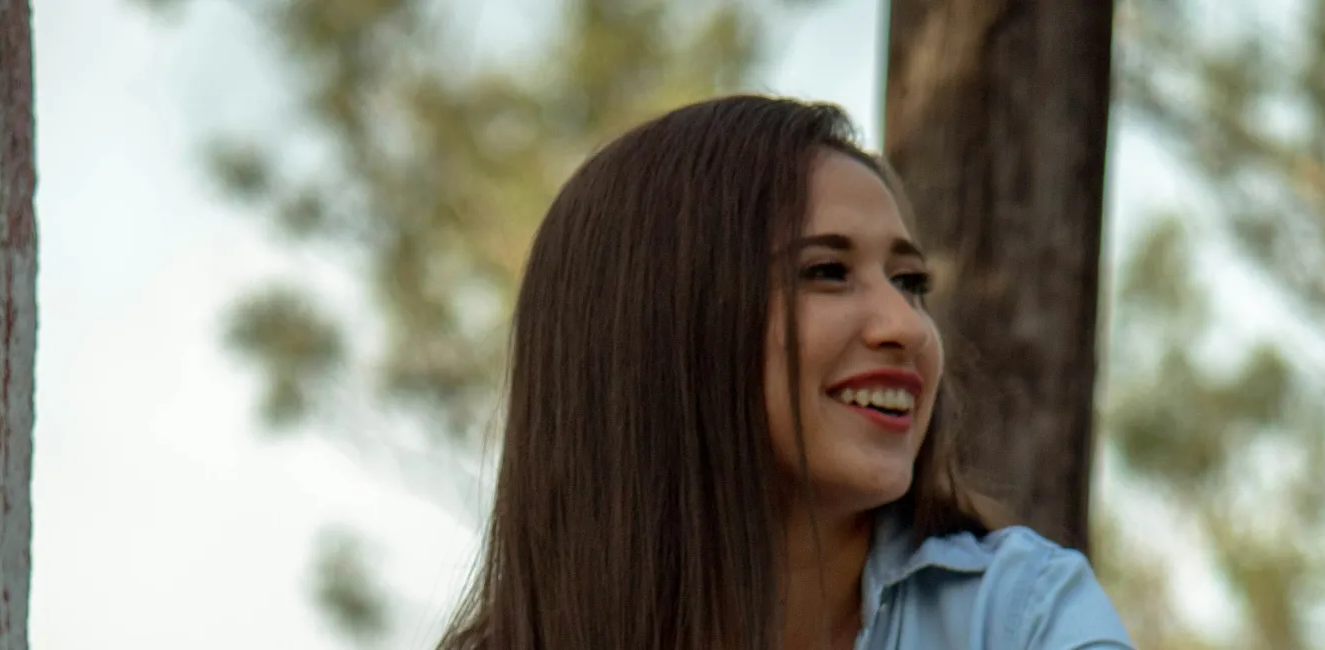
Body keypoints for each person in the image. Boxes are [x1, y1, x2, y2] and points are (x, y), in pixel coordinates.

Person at [436, 94, 1134, 650]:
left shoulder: (1020, 619)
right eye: (827, 272)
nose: (906, 326)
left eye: (910, 281)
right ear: (669, 323)